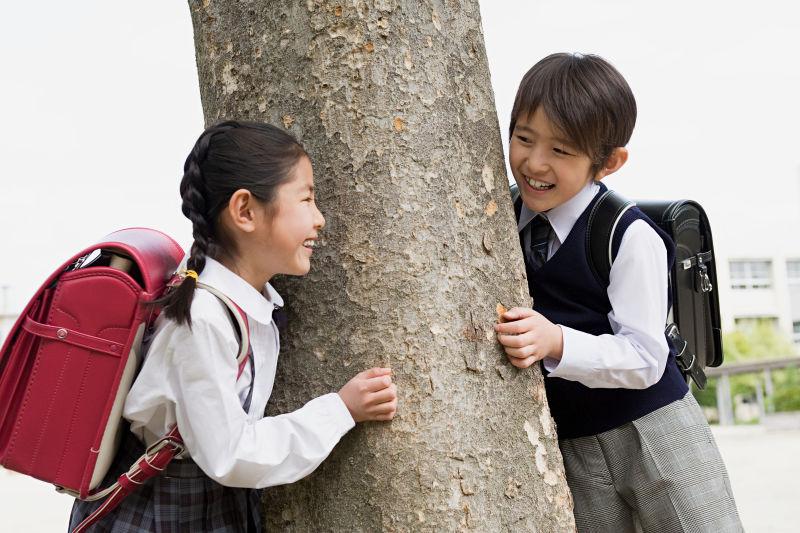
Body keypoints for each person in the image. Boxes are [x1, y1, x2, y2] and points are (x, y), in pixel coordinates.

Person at [69, 120, 398, 532]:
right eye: (306, 200)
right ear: (245, 211)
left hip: (213, 502)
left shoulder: (248, 305)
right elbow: (230, 453)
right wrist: (340, 410)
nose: (320, 219)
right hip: (169, 508)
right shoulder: (203, 319)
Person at [494, 53, 741, 532]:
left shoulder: (628, 236)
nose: (534, 162)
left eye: (561, 151)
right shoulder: (500, 215)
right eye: (523, 138)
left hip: (657, 429)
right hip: (575, 444)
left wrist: (556, 341)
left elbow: (646, 358)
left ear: (608, 162)